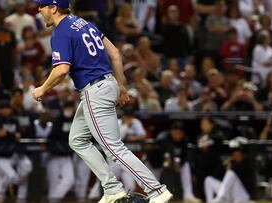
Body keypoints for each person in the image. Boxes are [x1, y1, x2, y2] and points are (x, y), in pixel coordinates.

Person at [32, 1, 172, 202]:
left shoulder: (61, 31)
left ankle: (156, 189)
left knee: (113, 147)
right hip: (107, 84)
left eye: (43, 6)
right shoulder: (84, 23)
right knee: (77, 139)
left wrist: (42, 88)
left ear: (53, 8)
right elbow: (115, 53)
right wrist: (121, 86)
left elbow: (61, 69)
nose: (39, 9)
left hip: (95, 90)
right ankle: (112, 188)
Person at [0, 100, 32, 203]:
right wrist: (12, 135)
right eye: (3, 108)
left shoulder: (14, 120)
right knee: (10, 176)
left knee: (3, 178)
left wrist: (9, 134)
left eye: (7, 108)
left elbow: (18, 135)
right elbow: (0, 133)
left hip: (10, 155)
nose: (5, 110)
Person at [46, 101, 76, 202]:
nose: (68, 111)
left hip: (67, 156)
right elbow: (52, 138)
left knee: (70, 180)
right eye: (66, 108)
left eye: (70, 108)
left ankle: (53, 200)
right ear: (63, 109)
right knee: (53, 183)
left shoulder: (75, 120)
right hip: (54, 156)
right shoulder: (58, 120)